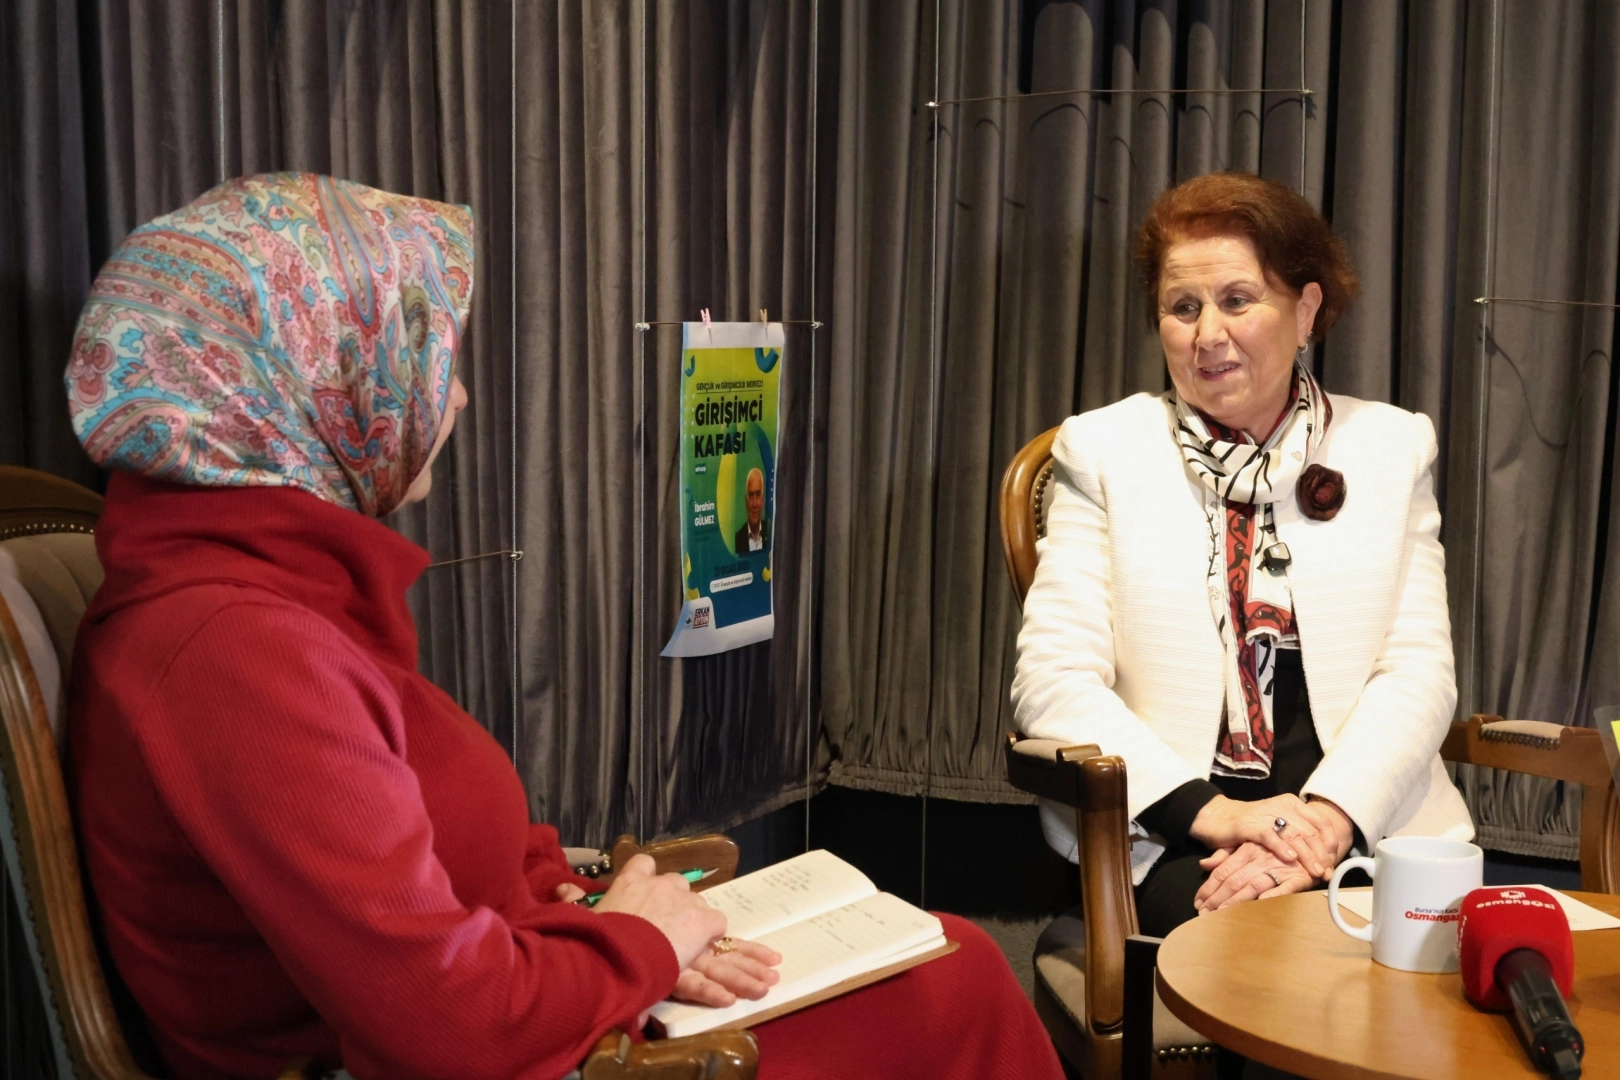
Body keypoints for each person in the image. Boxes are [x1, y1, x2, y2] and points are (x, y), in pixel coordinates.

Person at [64, 173, 1061, 1080]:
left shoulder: (261, 595)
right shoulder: (238, 649)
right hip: (516, 1046)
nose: (455, 396)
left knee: (948, 959)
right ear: (318, 381)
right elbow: (451, 1029)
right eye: (426, 361)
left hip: (550, 982)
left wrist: (598, 917)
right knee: (955, 980)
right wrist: (637, 943)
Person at [1011, 172, 1473, 939]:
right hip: (1174, 837)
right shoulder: (1104, 451)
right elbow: (1053, 685)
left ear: (1307, 311)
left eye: (1236, 300)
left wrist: (1325, 824)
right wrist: (1220, 816)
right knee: (1278, 957)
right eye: (1183, 307)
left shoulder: (1392, 447)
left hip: (1364, 825)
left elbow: (1418, 673)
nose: (1208, 334)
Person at [734, 467, 768, 554]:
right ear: (746, 501)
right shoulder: (737, 539)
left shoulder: (770, 532)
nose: (754, 504)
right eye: (751, 495)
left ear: (762, 499)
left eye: (758, 494)